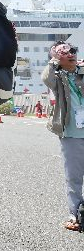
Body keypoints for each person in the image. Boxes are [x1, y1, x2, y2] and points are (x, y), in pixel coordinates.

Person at [42, 41, 84, 231]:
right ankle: (74, 215)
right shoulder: (57, 77)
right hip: (71, 133)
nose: (71, 54)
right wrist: (54, 60)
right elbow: (45, 78)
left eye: (72, 50)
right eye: (64, 53)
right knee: (74, 177)